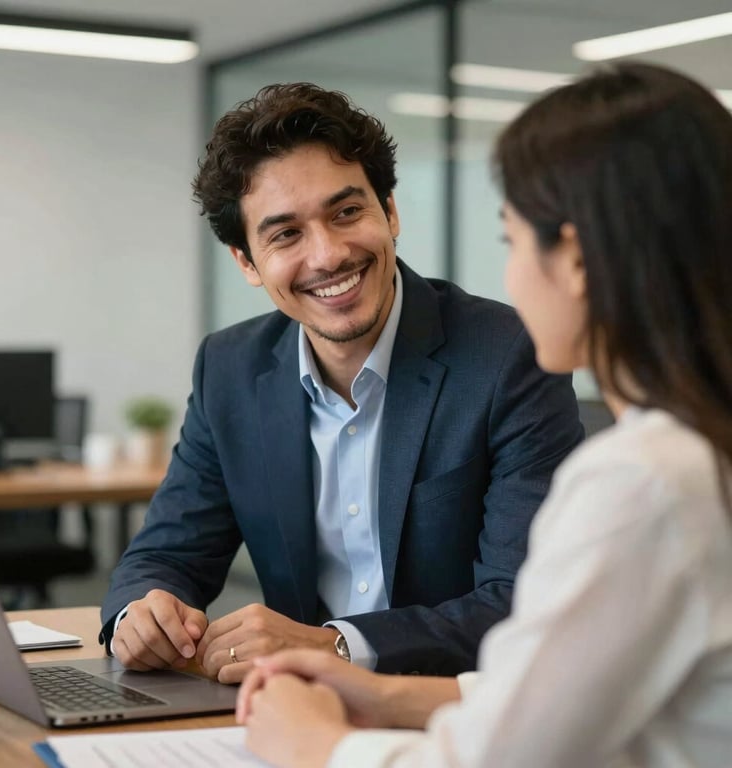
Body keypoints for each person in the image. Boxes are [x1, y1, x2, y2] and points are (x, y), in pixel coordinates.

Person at [236, 62, 732, 767]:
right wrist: (384, 696)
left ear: (579, 260)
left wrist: (316, 745)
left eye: (511, 239)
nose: (508, 277)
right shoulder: (697, 455)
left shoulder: (644, 484)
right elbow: (565, 687)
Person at [100, 82, 582, 682]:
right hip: (295, 713)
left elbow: (524, 599)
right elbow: (167, 553)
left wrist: (335, 647)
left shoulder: (508, 353)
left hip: (457, 710)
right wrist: (140, 615)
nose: (328, 255)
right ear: (246, 262)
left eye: (347, 212)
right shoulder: (230, 368)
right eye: (285, 234)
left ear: (391, 211)